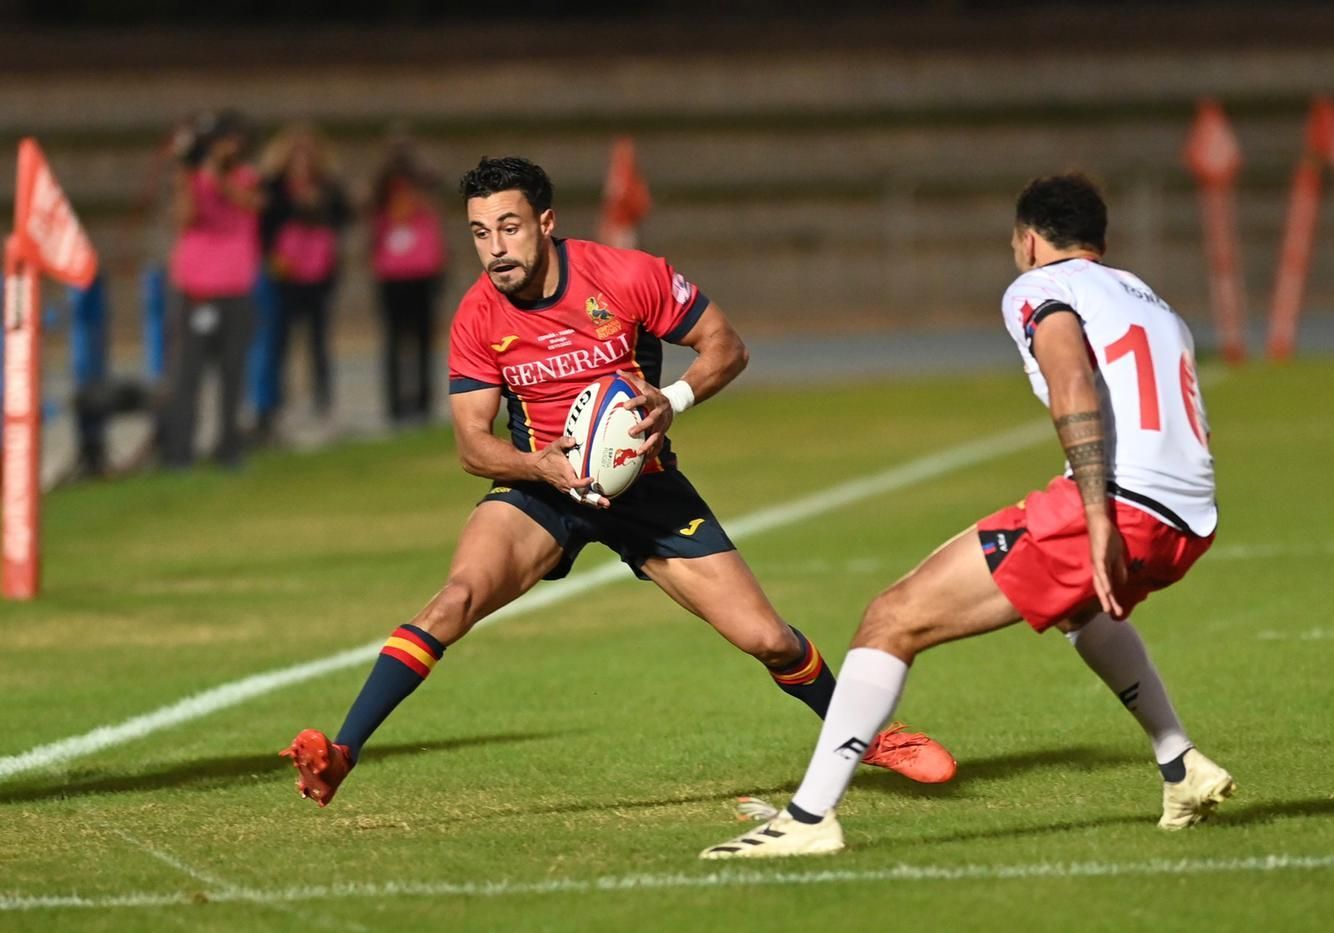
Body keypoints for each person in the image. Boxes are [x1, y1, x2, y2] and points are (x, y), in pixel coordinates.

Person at [280, 156, 956, 805]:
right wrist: (536, 465)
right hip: (542, 489)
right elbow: (471, 445)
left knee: (769, 639)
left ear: (545, 223)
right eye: (480, 233)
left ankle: (866, 736)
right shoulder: (478, 314)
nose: (495, 249)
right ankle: (343, 752)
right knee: (453, 600)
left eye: (508, 227)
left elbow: (726, 344)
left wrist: (676, 398)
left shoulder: (626, 275)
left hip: (647, 490)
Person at [701, 174, 1234, 859]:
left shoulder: (1041, 287)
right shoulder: (1157, 305)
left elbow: (1070, 379)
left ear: (1031, 240)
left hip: (1120, 502)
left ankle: (808, 819)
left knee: (891, 618)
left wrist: (1097, 511)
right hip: (1188, 519)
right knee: (1080, 612)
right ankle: (1181, 764)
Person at [160, 109, 262, 469]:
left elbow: (249, 203)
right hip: (196, 287)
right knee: (188, 371)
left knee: (233, 371)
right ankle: (180, 450)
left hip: (235, 286)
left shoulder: (246, 176)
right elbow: (185, 218)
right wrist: (186, 174)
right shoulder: (191, 178)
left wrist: (215, 175)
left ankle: (229, 447)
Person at [256, 123, 350, 438]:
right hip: (284, 274)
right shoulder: (273, 187)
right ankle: (276, 403)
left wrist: (318, 204)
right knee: (278, 341)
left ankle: (322, 400)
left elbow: (344, 216)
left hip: (318, 275)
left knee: (318, 342)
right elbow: (263, 225)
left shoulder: (327, 186)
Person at [369, 137, 448, 426]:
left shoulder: (425, 189)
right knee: (394, 341)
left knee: (424, 340)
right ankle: (396, 405)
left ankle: (423, 402)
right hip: (392, 274)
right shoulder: (382, 191)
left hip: (423, 271)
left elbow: (438, 182)